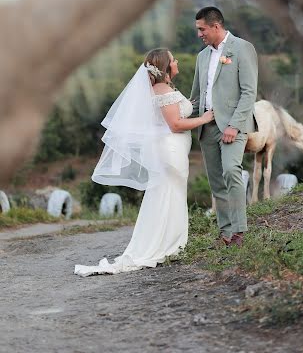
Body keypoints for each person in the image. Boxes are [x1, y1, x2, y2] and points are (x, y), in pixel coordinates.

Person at [74, 48, 214, 277]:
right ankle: (166, 245)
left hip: (171, 149)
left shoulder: (163, 89)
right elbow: (175, 124)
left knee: (167, 194)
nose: (177, 61)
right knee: (169, 194)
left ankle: (171, 244)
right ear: (166, 66)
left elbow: (172, 114)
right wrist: (204, 118)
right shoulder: (163, 89)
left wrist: (189, 104)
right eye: (174, 59)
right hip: (171, 149)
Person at [190, 7, 258, 248]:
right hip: (207, 127)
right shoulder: (201, 57)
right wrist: (178, 112)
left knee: (231, 171)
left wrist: (234, 125)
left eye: (201, 29)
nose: (199, 34)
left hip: (233, 126)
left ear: (215, 26)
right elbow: (197, 96)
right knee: (216, 182)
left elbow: (249, 92)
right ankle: (225, 233)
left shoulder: (242, 48)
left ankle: (240, 231)